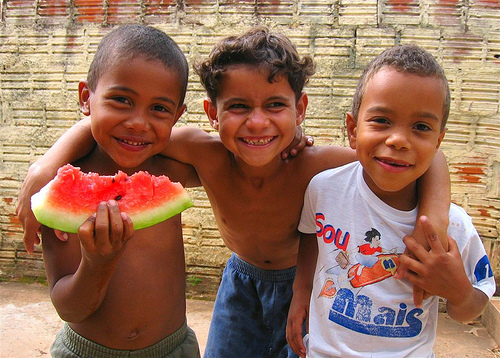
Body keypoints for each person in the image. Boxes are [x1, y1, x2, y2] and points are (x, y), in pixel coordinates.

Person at [17, 28, 452, 358]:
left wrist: (434, 222)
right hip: (239, 284)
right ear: (212, 113)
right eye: (239, 107)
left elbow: (429, 157)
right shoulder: (203, 154)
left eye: (275, 106)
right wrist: (47, 166)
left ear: (299, 109)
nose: (257, 123)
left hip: (306, 284)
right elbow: (128, 133)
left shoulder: (320, 162)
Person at [286, 43, 496, 358]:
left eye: (421, 127)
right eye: (382, 120)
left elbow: (473, 307)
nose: (398, 140)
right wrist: (300, 291)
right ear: (353, 130)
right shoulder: (323, 190)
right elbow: (311, 235)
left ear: (438, 141)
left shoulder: (454, 226)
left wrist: (458, 292)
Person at [35, 25, 202, 357]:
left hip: (174, 349)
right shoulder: (55, 189)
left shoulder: (172, 170)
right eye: (121, 100)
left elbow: (242, 161)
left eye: (159, 109)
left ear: (177, 116)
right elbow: (68, 308)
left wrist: (291, 142)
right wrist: (97, 263)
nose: (138, 122)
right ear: (86, 98)